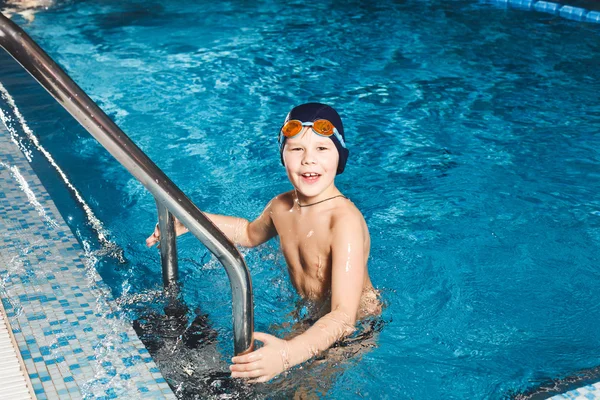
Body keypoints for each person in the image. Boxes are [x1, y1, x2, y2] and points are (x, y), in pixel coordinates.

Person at [146, 103, 381, 384]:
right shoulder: (281, 206)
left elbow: (344, 316)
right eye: (297, 149)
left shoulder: (345, 222)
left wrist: (288, 355)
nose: (309, 160)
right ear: (282, 155)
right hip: (311, 315)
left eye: (322, 149)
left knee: (295, 388)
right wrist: (192, 221)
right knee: (251, 374)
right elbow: (247, 234)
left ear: (340, 158)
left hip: (352, 330)